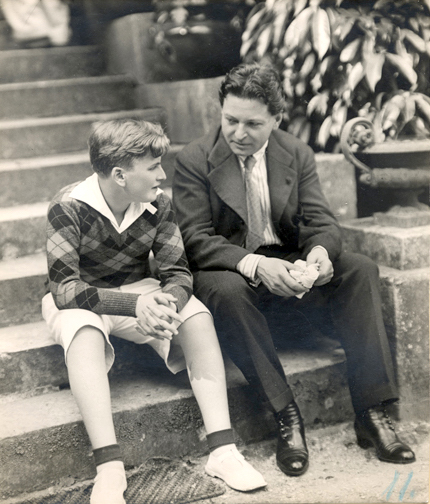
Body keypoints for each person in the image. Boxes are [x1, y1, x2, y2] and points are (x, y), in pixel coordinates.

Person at [172, 62, 416, 478]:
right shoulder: (194, 159)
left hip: (288, 268)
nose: (238, 133)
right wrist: (255, 264)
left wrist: (318, 254)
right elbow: (194, 238)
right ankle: (285, 415)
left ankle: (372, 412)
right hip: (232, 272)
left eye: (253, 124)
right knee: (225, 288)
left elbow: (321, 221)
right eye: (230, 120)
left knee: (359, 269)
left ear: (277, 119)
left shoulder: (295, 152)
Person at [41, 118, 266, 504]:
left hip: (137, 289)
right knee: (85, 334)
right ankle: (109, 468)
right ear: (119, 175)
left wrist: (167, 305)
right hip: (82, 298)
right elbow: (64, 289)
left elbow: (177, 273)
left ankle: (223, 451)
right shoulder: (68, 206)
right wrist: (135, 305)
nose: (163, 175)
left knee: (197, 317)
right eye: (153, 167)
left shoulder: (158, 203)